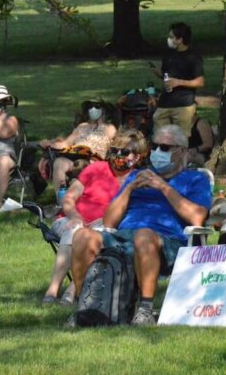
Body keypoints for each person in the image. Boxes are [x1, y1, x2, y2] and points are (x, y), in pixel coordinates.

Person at [69, 124, 211, 325]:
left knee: (143, 235)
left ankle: (144, 310)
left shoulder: (195, 179)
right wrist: (129, 189)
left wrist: (162, 187)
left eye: (165, 147)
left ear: (182, 151)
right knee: (83, 236)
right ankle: (85, 308)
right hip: (124, 237)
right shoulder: (137, 176)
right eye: (155, 146)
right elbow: (109, 221)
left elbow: (197, 217)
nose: (157, 152)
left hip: (168, 243)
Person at [42, 129, 148, 304]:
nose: (118, 155)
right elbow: (69, 198)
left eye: (125, 152)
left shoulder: (138, 180)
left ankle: (72, 291)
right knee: (75, 231)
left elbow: (136, 212)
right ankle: (52, 290)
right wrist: (75, 216)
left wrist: (107, 221)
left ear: (137, 157)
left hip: (106, 226)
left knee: (98, 233)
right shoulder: (96, 168)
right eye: (114, 151)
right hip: (69, 220)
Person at [38, 97, 117, 191]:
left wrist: (101, 122)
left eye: (97, 107)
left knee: (80, 166)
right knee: (59, 163)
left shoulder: (109, 128)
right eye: (91, 107)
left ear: (104, 111)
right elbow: (66, 143)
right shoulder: (82, 126)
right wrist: (50, 144)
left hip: (93, 160)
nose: (93, 109)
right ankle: (61, 200)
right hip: (75, 156)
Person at [151, 22, 204, 133]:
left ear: (180, 40)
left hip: (183, 104)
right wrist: (159, 73)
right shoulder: (168, 54)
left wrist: (178, 82)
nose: (168, 39)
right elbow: (167, 76)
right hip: (164, 103)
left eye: (171, 37)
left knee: (181, 140)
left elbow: (200, 82)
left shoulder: (193, 57)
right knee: (160, 137)